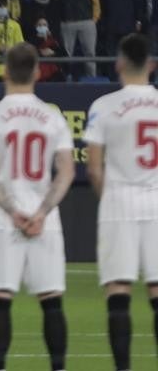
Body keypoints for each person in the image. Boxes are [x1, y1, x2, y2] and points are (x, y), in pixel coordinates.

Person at [0, 44, 74, 371]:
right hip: (45, 218)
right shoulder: (53, 116)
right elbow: (66, 171)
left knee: (0, 301)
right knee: (51, 302)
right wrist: (42, 212)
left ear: (4, 71)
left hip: (4, 218)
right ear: (35, 72)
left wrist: (9, 208)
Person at [85, 33, 158, 371]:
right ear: (152, 65)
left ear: (119, 63)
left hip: (119, 201)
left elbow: (94, 167)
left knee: (118, 288)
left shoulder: (104, 106)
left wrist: (109, 199)